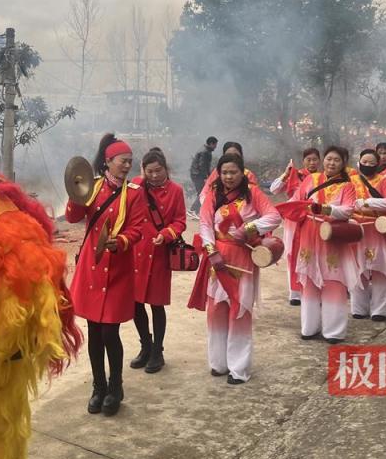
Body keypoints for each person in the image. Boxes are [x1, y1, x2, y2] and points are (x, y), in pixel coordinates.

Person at [67, 134, 146, 416]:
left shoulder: (135, 193)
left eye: (129, 162)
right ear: (108, 162)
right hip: (93, 266)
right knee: (94, 332)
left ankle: (116, 387)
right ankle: (98, 387)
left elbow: (137, 229)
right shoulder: (93, 187)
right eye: (123, 161)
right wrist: (76, 192)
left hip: (118, 270)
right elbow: (75, 217)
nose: (127, 166)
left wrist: (121, 241)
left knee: (110, 332)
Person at [188, 154, 280, 383]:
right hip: (217, 259)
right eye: (225, 172)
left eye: (233, 172)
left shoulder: (254, 194)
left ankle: (239, 369)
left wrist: (249, 227)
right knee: (216, 309)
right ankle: (218, 363)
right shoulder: (212, 195)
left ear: (242, 174)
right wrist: (211, 251)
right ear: (219, 173)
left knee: (240, 310)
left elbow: (274, 217)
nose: (229, 176)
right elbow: (205, 224)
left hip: (242, 259)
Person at [290, 146, 359, 343]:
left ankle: (334, 331)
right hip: (309, 235)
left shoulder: (347, 186)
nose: (331, 163)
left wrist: (326, 209)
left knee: (333, 281)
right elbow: (296, 200)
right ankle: (309, 328)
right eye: (329, 159)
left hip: (331, 236)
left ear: (343, 164)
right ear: (324, 160)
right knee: (309, 280)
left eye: (336, 160)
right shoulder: (311, 180)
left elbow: (348, 210)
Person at [130, 148, 186, 374]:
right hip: (135, 250)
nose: (154, 176)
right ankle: (146, 345)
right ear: (143, 171)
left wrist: (168, 234)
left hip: (160, 253)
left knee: (157, 303)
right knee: (135, 303)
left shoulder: (176, 191)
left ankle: (157, 351)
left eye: (158, 171)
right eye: (149, 171)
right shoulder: (135, 185)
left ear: (166, 169)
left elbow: (181, 220)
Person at [350, 149, 386, 322]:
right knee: (357, 269)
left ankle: (380, 309)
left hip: (378, 228)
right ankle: (359, 307)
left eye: (372, 163)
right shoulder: (351, 180)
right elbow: (346, 202)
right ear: (359, 161)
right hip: (356, 229)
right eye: (365, 161)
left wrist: (368, 202)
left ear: (378, 164)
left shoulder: (383, 181)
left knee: (381, 269)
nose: (368, 165)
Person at [270, 147, 321, 305]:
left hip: (314, 221)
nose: (312, 163)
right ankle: (295, 293)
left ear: (319, 160)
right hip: (293, 221)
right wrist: (286, 174)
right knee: (293, 254)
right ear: (303, 161)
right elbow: (274, 189)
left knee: (313, 253)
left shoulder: (323, 178)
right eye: (308, 159)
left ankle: (312, 289)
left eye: (315, 159)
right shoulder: (295, 174)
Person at [189, 137, 218, 213]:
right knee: (202, 192)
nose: (216, 146)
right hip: (198, 175)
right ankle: (193, 210)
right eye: (215, 144)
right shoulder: (205, 152)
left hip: (196, 174)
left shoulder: (205, 150)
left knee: (201, 192)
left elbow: (205, 166)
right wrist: (205, 177)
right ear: (211, 143)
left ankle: (195, 210)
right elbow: (202, 166)